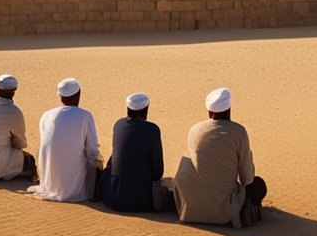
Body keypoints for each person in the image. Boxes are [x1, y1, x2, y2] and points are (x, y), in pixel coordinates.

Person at [173, 87, 266, 228]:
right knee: (259, 185)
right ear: (229, 108)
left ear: (209, 111)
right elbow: (247, 178)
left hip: (190, 209)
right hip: (225, 212)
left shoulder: (195, 129)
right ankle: (248, 211)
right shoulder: (238, 131)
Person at [31, 77, 102, 202]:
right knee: (96, 163)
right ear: (79, 94)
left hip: (49, 177)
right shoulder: (85, 116)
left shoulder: (47, 115)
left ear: (61, 97)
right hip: (73, 187)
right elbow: (92, 150)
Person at [100, 93, 166, 212]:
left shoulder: (118, 124)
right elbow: (158, 171)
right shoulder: (152, 130)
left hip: (113, 196)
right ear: (146, 110)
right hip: (141, 200)